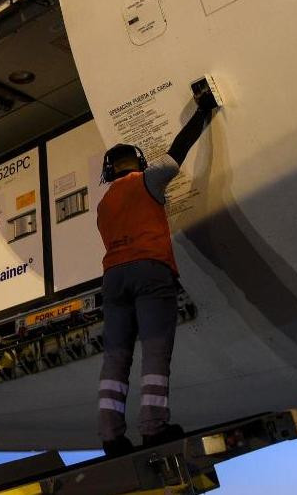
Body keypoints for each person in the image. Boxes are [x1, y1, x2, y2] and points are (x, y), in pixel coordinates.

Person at [96, 81, 219, 457]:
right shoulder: (146, 181)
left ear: (108, 170)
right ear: (138, 163)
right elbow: (177, 152)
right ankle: (153, 428)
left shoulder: (103, 204)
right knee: (154, 354)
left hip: (113, 280)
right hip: (150, 272)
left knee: (115, 359)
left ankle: (111, 437)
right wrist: (204, 111)